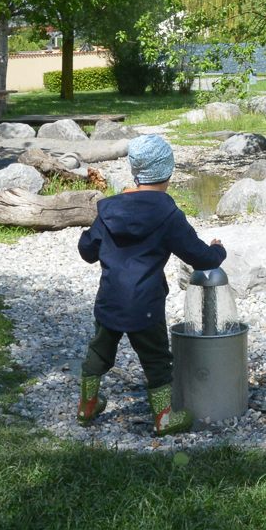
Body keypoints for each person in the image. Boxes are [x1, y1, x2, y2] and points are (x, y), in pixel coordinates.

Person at [76, 133, 225, 434]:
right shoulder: (168, 215)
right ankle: (164, 418)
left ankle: (86, 406)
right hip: (146, 304)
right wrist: (218, 249)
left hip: (109, 302)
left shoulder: (108, 209)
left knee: (99, 353)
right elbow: (201, 258)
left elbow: (87, 251)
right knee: (157, 359)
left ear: (135, 171)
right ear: (168, 172)